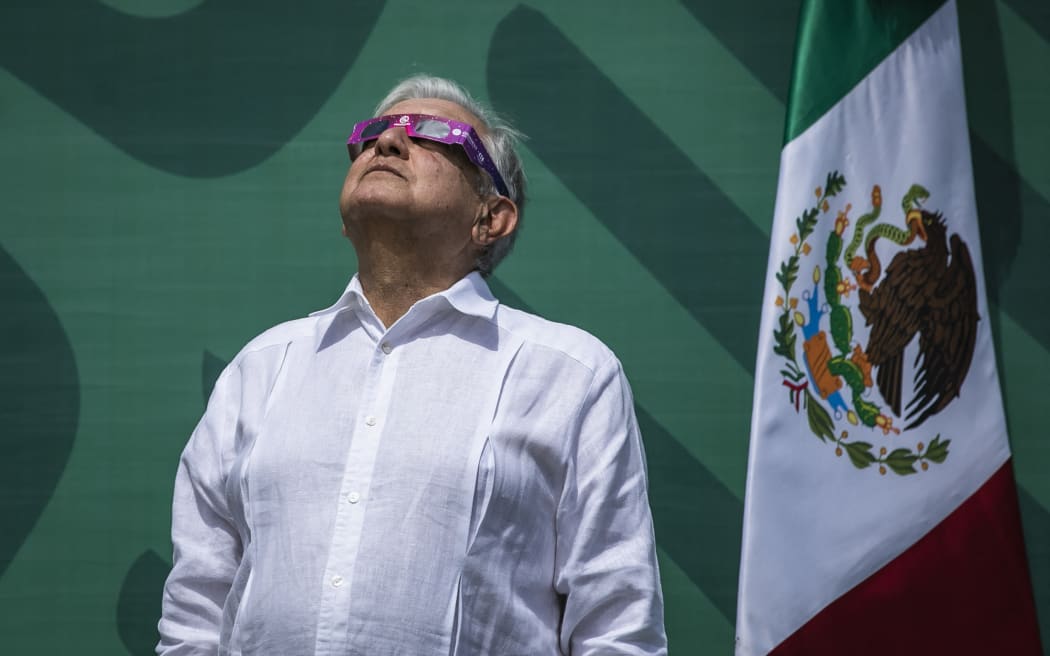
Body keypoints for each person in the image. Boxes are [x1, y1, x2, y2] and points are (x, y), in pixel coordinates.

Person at [158, 74, 666, 656]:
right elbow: (196, 613)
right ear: (346, 216)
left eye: (434, 134)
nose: (389, 144)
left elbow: (616, 627)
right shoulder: (261, 369)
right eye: (373, 133)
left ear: (491, 217)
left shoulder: (568, 375)